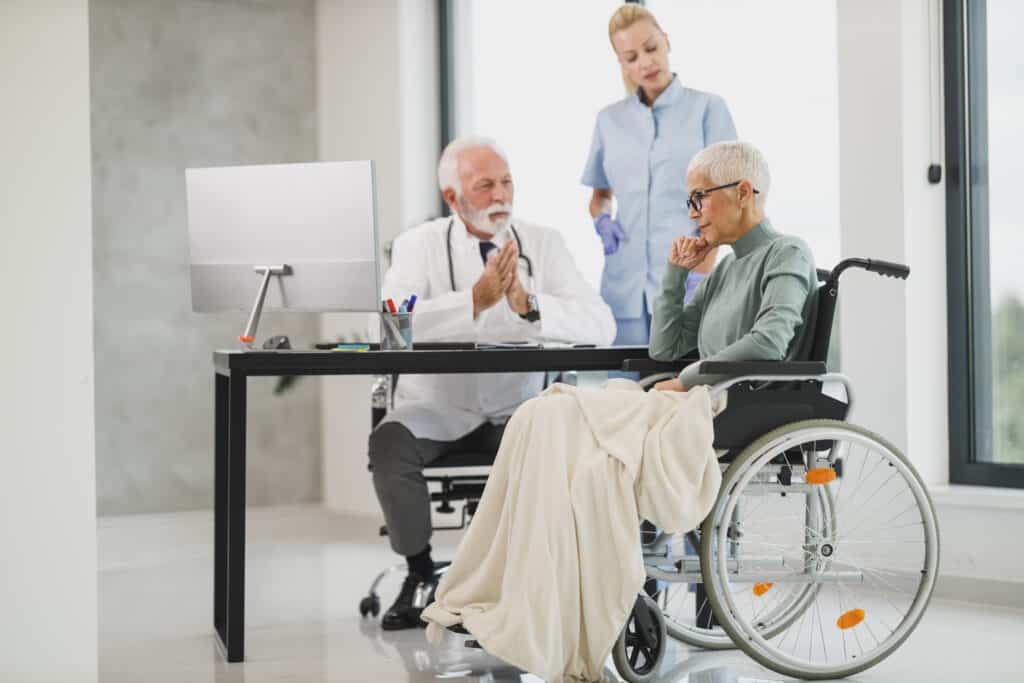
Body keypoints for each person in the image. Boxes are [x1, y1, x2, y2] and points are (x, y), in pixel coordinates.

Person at [422, 141, 817, 682]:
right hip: (686, 394)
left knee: (591, 463)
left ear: (744, 192)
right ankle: (507, 592)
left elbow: (771, 343)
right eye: (690, 200)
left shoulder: (786, 254)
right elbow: (667, 344)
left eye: (700, 198)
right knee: (542, 416)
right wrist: (680, 274)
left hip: (724, 402)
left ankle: (566, 612)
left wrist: (689, 377)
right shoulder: (725, 270)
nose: (693, 212)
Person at [370, 135, 616, 630]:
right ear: (452, 198)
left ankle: (517, 584)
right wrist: (475, 301)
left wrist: (530, 305)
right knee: (389, 443)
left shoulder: (542, 243)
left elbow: (600, 323)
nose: (500, 195)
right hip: (438, 409)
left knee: (552, 442)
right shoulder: (418, 246)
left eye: (506, 183)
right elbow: (394, 324)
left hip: (516, 407)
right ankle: (420, 573)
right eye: (485, 186)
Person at [582, 3, 737, 347]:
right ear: (620, 63)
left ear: (666, 42)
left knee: (681, 391)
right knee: (621, 393)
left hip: (687, 277)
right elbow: (600, 195)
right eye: (631, 57)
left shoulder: (708, 110)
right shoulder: (609, 121)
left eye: (651, 48)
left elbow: (726, 201)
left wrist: (701, 270)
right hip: (624, 287)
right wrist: (602, 221)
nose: (645, 63)